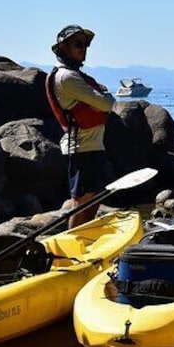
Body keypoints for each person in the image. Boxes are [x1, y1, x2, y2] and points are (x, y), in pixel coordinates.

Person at [45, 25, 115, 228]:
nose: (83, 48)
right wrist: (106, 95)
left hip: (90, 146)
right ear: (63, 48)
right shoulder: (67, 77)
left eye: (85, 45)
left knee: (94, 197)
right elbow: (105, 103)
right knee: (81, 201)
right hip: (82, 147)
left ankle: (85, 240)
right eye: (78, 44)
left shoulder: (73, 75)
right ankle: (73, 245)